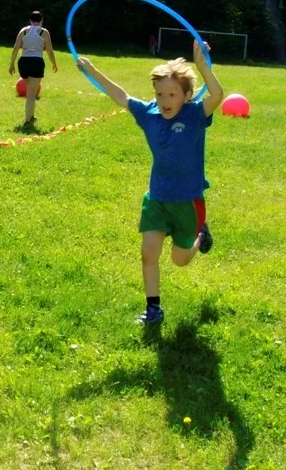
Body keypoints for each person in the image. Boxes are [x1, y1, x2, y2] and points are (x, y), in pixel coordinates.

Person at [77, 40, 223, 325]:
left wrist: (203, 67)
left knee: (180, 260)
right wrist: (92, 71)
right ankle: (153, 309)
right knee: (148, 252)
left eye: (172, 94)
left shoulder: (194, 114)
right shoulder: (149, 114)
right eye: (159, 94)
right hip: (157, 198)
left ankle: (200, 237)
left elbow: (217, 95)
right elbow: (121, 95)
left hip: (187, 202)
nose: (165, 100)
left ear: (187, 96)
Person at [9, 11, 58, 128]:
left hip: (23, 62)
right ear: (41, 21)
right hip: (36, 62)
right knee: (31, 94)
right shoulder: (44, 32)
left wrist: (11, 64)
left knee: (31, 91)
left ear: (30, 21)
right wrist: (54, 64)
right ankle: (27, 121)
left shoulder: (23, 31)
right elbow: (49, 51)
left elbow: (16, 48)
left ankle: (31, 116)